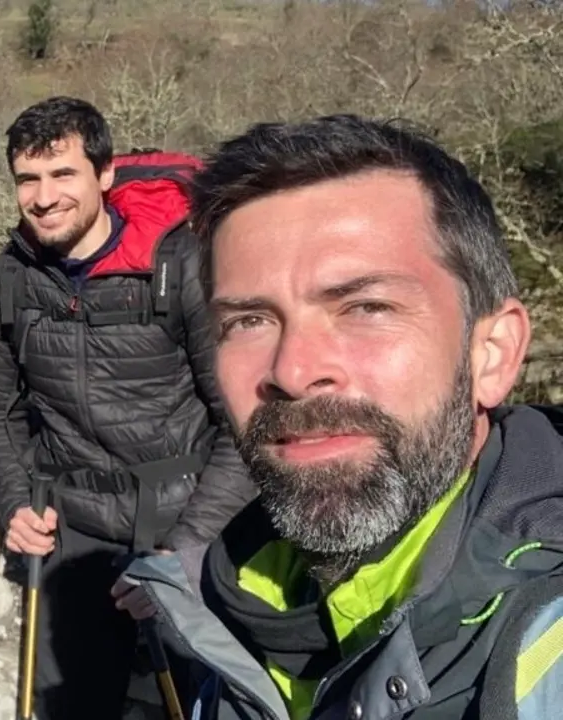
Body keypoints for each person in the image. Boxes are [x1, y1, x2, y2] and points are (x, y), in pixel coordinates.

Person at [112, 113, 563, 719]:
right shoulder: (229, 604)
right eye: (248, 321)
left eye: (366, 307)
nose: (294, 371)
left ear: (492, 353)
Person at [0, 95, 254, 719]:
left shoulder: (180, 269)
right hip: (69, 537)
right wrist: (15, 503)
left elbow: (242, 426)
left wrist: (185, 553)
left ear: (103, 175)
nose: (44, 197)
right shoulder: (6, 283)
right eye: (28, 179)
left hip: (182, 531)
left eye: (63, 174)